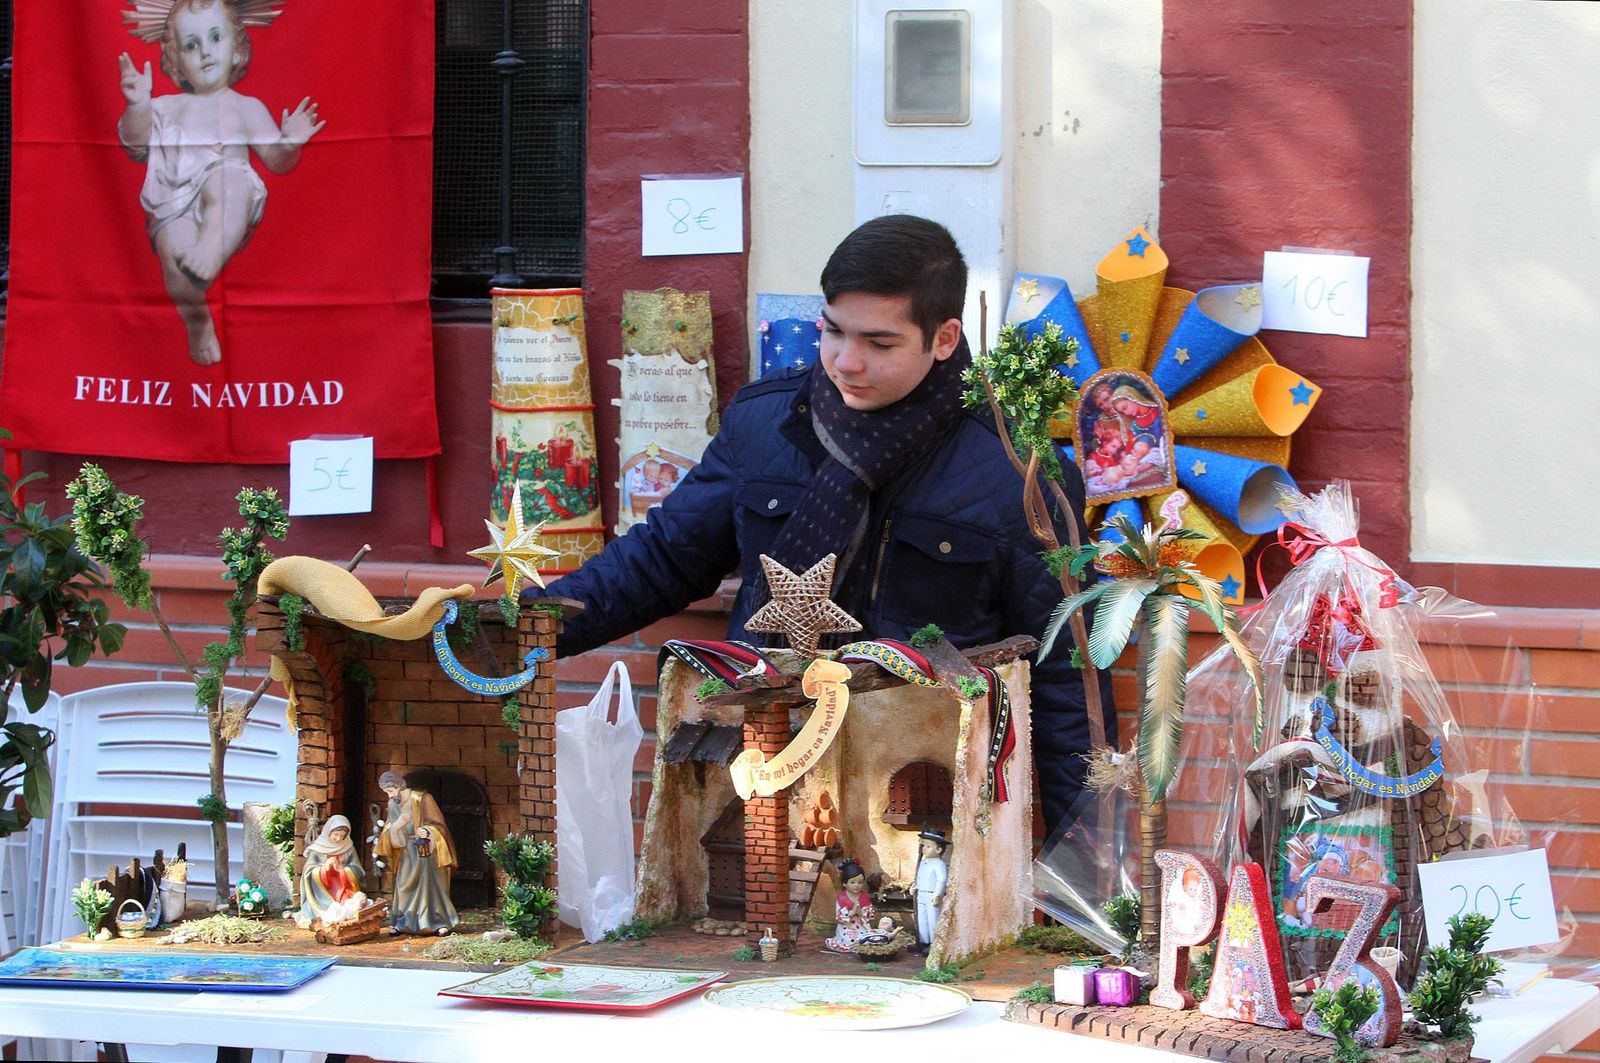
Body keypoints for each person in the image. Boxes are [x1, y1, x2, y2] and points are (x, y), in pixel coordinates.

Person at [532, 215, 1113, 835]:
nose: (846, 361)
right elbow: (664, 558)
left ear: (944, 339)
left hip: (927, 795)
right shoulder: (763, 423)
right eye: (832, 332)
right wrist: (529, 631)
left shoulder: (1013, 471)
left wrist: (1087, 873)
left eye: (879, 343)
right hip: (766, 761)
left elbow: (1064, 679)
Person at [116, 0, 325, 365]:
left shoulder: (247, 107)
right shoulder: (164, 107)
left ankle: (212, 248)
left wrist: (289, 142)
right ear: (176, 60)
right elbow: (134, 143)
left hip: (230, 199)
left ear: (236, 49)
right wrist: (137, 104)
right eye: (191, 45)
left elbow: (277, 162)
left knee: (227, 178)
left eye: (215, 37)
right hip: (172, 204)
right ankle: (197, 320)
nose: (206, 52)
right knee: (176, 262)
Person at [375, 771, 459, 934]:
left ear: (399, 786)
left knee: (430, 885)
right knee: (404, 885)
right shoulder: (393, 804)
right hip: (406, 851)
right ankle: (402, 922)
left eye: (391, 791)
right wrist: (396, 827)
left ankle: (437, 921)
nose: (390, 796)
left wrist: (428, 832)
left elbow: (439, 825)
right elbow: (388, 827)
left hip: (426, 850)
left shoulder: (422, 799)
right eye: (387, 792)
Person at [295, 814, 365, 928]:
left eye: (342, 836)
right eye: (336, 835)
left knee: (351, 906)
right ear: (328, 832)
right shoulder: (317, 849)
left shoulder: (348, 848)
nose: (338, 839)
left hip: (344, 888)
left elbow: (358, 870)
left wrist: (343, 870)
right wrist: (324, 869)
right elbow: (308, 872)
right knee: (331, 912)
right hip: (321, 892)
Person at [824, 860, 875, 953]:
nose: (856, 885)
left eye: (860, 882)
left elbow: (868, 915)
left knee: (867, 939)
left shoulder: (865, 897)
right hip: (847, 926)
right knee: (849, 940)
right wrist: (852, 912)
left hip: (861, 925)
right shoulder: (841, 898)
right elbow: (840, 917)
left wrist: (860, 912)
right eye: (852, 882)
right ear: (844, 883)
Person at [913, 828, 949, 954]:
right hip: (921, 894)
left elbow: (942, 880)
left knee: (932, 918)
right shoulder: (923, 862)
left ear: (938, 850)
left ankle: (934, 943)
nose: (924, 849)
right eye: (924, 846)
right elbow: (920, 876)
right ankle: (923, 941)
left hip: (931, 895)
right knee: (922, 919)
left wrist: (938, 894)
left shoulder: (939, 864)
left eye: (928, 846)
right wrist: (915, 886)